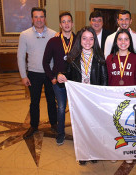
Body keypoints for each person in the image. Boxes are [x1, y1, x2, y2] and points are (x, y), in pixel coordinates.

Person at [57, 26, 108, 165]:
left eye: (91, 39)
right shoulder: (71, 58)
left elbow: (104, 81)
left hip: (94, 99)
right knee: (81, 127)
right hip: (79, 99)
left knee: (94, 126)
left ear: (94, 41)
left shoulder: (99, 58)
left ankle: (94, 151)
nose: (87, 41)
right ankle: (84, 154)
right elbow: (65, 78)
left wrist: (101, 100)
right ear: (80, 40)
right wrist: (60, 77)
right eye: (84, 38)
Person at [17, 7, 57, 139]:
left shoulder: (54, 34)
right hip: (33, 74)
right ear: (32, 18)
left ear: (45, 18)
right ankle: (33, 126)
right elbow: (20, 56)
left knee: (52, 101)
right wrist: (23, 75)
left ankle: (54, 124)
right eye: (36, 17)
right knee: (34, 102)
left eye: (41, 17)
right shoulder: (24, 34)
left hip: (50, 74)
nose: (39, 20)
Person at [106, 29, 136, 164]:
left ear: (130, 41)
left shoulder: (135, 58)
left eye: (126, 39)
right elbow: (107, 80)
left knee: (129, 127)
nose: (123, 42)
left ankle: (128, 151)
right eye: (120, 39)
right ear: (116, 41)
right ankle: (115, 151)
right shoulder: (110, 58)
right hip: (114, 98)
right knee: (114, 126)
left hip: (130, 99)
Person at [42, 12, 75, 146]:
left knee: (76, 110)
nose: (66, 24)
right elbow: (45, 62)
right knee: (61, 108)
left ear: (72, 23)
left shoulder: (79, 39)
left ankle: (80, 135)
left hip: (74, 82)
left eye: (69, 21)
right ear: (60, 24)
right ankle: (60, 134)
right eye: (64, 21)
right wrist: (52, 78)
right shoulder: (53, 41)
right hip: (59, 81)